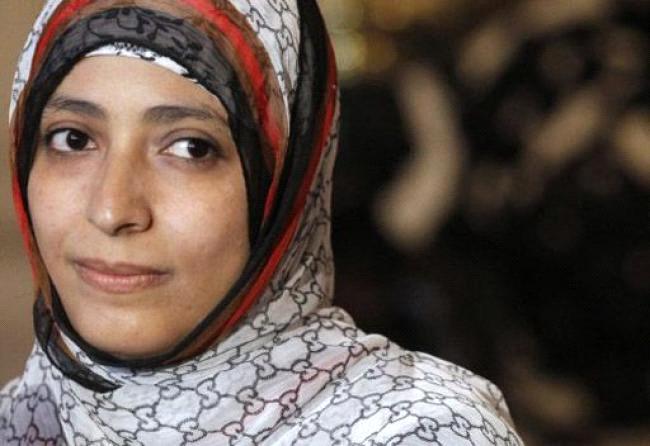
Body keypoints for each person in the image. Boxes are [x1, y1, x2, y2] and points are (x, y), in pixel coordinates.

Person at [0, 1, 523, 444]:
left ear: (288, 181)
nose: (112, 210)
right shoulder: (21, 425)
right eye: (73, 139)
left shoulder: (416, 433)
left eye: (191, 148)